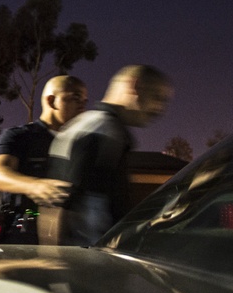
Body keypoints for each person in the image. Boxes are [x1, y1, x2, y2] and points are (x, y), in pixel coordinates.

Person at [39, 65, 172, 247]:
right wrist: (58, 264)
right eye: (157, 97)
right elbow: (58, 206)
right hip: (87, 265)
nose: (160, 109)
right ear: (135, 86)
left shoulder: (98, 127)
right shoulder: (100, 131)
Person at [0, 75, 88, 243]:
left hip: (68, 238)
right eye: (75, 98)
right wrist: (34, 185)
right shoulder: (20, 136)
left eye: (84, 101)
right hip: (22, 235)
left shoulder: (81, 145)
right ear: (51, 101)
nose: (82, 107)